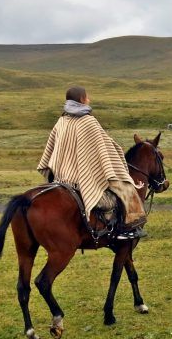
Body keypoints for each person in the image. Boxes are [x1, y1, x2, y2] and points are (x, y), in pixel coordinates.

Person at [37, 86, 148, 238]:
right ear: (82, 100)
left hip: (61, 177)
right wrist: (117, 151)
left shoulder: (61, 121)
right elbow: (105, 147)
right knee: (127, 190)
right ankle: (130, 229)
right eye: (87, 97)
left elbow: (52, 149)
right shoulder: (89, 121)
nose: (89, 99)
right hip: (82, 179)